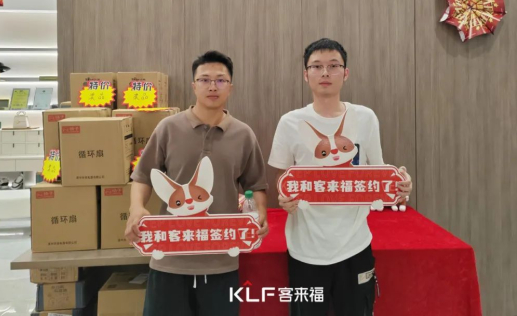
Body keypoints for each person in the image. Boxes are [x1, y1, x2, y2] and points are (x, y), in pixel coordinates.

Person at [269, 38, 413, 316]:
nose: (325, 72)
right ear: (306, 74)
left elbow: (378, 172)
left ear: (345, 73)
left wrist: (399, 185)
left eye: (333, 65)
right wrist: (284, 197)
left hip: (355, 245)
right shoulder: (290, 122)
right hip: (305, 249)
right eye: (317, 66)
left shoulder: (365, 117)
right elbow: (283, 178)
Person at [125, 50, 269, 316]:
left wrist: (260, 213)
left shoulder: (243, 134)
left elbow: (256, 184)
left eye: (221, 80)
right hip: (169, 257)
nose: (212, 86)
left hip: (222, 259)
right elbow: (143, 176)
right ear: (194, 86)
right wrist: (136, 208)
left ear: (230, 87)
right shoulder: (168, 128)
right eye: (204, 80)